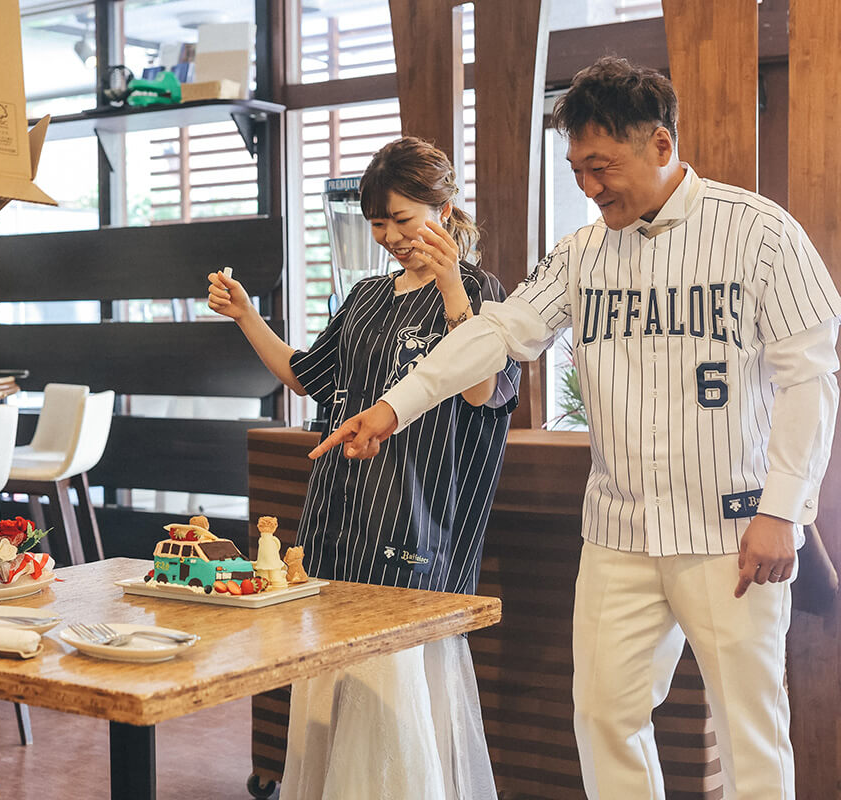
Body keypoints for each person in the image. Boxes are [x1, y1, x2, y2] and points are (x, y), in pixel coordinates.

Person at [312, 56, 841, 800]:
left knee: (750, 728)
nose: (589, 187)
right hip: (618, 533)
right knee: (603, 718)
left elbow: (810, 378)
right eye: (577, 171)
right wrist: (393, 407)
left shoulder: (761, 234)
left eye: (602, 166)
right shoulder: (581, 253)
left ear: (661, 144)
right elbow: (497, 334)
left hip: (729, 533)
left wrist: (782, 511)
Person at [208, 136, 520, 800]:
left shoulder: (482, 292)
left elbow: (481, 391)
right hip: (341, 515)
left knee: (397, 688)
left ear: (443, 208)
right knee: (331, 681)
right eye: (378, 224)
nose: (390, 238)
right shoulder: (366, 296)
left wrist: (449, 284)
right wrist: (246, 316)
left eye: (402, 220)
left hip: (419, 523)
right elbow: (308, 377)